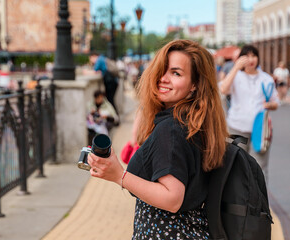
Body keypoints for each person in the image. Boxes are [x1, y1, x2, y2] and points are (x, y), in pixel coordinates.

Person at [87, 39, 228, 239]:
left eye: (176, 73)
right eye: (162, 69)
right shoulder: (195, 122)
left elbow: (172, 198)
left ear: (194, 85)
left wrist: (119, 175)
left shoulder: (171, 129)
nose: (163, 78)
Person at [219, 45, 279, 181]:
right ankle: (237, 200)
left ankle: (260, 200)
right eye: (247, 56)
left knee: (260, 166)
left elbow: (276, 102)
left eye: (254, 56)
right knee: (234, 163)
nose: (251, 59)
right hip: (236, 126)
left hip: (261, 128)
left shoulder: (266, 79)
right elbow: (223, 89)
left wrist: (270, 105)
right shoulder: (236, 76)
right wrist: (235, 67)